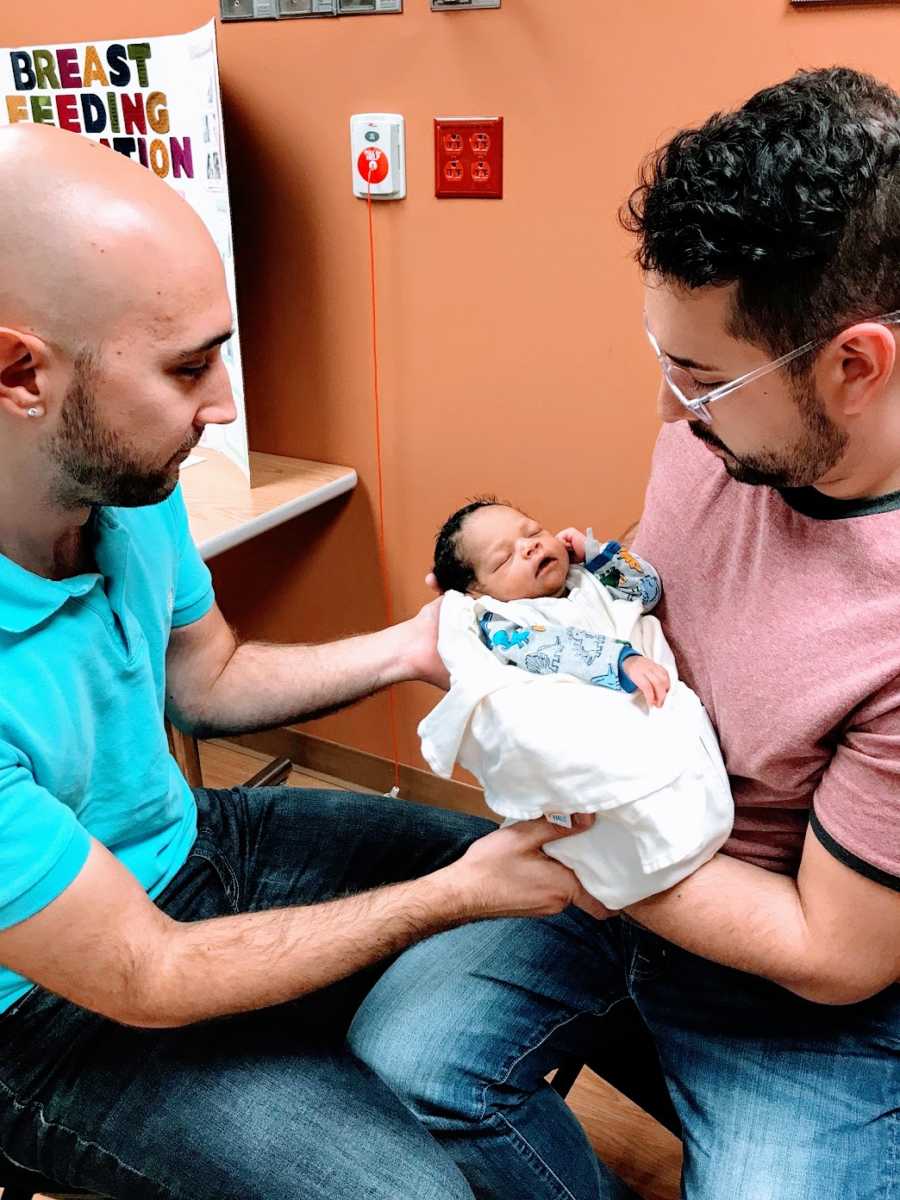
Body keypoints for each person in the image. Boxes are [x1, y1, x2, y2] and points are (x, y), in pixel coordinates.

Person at [0, 122, 605, 1200]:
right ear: (18, 371)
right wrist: (444, 900)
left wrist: (418, 647)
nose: (224, 403)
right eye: (189, 367)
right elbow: (147, 972)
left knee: (585, 888)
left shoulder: (124, 481)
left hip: (201, 845)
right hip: (54, 1012)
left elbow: (209, 680)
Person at [348, 67, 900, 1200]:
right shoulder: (726, 433)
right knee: (406, 1066)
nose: (667, 412)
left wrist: (582, 832)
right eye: (662, 360)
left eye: (696, 378)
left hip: (784, 975)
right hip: (628, 868)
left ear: (854, 366)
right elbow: (655, 583)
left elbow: (834, 957)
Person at [418, 498, 732, 908]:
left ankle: (672, 835)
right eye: (503, 559)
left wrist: (600, 556)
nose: (528, 547)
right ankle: (615, 867)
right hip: (590, 715)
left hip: (647, 700)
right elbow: (548, 647)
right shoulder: (500, 620)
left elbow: (648, 592)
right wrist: (622, 660)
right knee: (602, 796)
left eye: (531, 532)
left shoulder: (587, 580)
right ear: (478, 591)